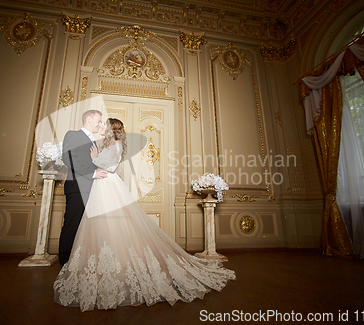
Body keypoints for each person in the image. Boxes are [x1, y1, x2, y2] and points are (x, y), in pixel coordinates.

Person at [54, 118, 235, 311]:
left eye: (105, 126)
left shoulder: (115, 145)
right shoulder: (108, 144)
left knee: (114, 227)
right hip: (101, 188)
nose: (102, 129)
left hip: (107, 187)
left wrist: (95, 158)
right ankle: (102, 269)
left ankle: (121, 267)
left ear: (112, 129)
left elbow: (110, 168)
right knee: (100, 229)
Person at [58, 110, 108, 268]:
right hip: (78, 188)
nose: (100, 125)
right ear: (89, 119)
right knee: (72, 225)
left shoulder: (94, 141)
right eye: (98, 121)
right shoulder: (73, 135)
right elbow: (69, 158)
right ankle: (65, 264)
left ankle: (80, 263)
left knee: (87, 228)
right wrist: (93, 173)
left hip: (93, 189)